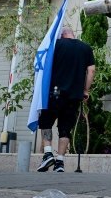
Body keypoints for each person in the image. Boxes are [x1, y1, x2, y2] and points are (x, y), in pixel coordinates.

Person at [37, 26, 95, 172]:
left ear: (62, 35)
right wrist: (86, 91)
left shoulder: (56, 45)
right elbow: (91, 70)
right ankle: (60, 163)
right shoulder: (86, 48)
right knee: (65, 128)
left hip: (54, 92)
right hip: (74, 95)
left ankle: (48, 154)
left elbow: (44, 65)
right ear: (73, 34)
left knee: (45, 122)